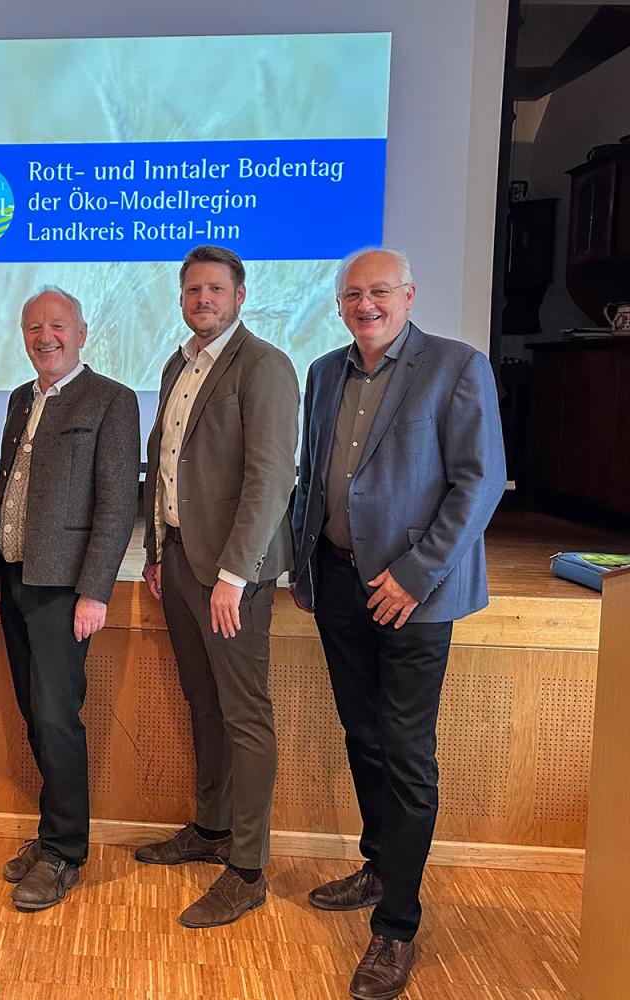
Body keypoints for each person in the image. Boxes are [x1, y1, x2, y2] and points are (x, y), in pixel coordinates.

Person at [290, 247, 505, 1000]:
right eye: (353, 294)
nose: (366, 305)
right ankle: (379, 862)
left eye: (380, 291)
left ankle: (397, 926)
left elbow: (478, 484)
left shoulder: (456, 366)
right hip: (342, 585)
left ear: (409, 295)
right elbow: (312, 476)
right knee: (363, 735)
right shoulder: (323, 373)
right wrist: (300, 560)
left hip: (413, 592)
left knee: (408, 753)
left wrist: (413, 575)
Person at [137, 245, 299, 929]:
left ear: (239, 295)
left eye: (215, 289)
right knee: (203, 704)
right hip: (177, 564)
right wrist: (154, 550)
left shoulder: (264, 366)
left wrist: (235, 574)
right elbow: (166, 463)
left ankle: (248, 868)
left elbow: (269, 480)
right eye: (192, 289)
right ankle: (209, 829)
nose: (203, 299)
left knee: (244, 714)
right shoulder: (180, 363)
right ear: (181, 298)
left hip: (233, 575)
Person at [0, 287, 139, 912]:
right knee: (33, 712)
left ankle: (63, 853)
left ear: (81, 332)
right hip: (15, 580)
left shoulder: (112, 399)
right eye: (33, 328)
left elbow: (116, 503)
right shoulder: (22, 399)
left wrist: (94, 592)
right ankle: (52, 831)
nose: (43, 336)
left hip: (65, 591)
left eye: (56, 326)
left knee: (56, 717)